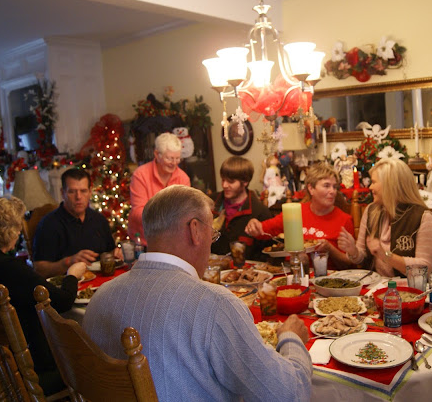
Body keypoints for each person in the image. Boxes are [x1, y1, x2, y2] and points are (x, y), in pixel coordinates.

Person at [82, 185, 312, 402]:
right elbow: (288, 395)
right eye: (212, 234)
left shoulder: (100, 298)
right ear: (195, 230)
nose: (210, 245)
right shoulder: (215, 304)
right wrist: (290, 338)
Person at [0, 196, 86, 394]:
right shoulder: (8, 268)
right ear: (7, 231)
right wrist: (72, 275)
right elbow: (63, 301)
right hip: (29, 371)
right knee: (89, 351)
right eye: (17, 226)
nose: (20, 231)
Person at [337, 158, 432, 277]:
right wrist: (353, 250)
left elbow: (426, 269)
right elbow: (362, 258)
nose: (370, 187)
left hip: (410, 287)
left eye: (374, 182)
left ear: (390, 185)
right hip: (376, 285)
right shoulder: (371, 211)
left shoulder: (423, 217)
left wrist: (386, 256)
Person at [246, 162, 354, 269]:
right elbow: (263, 230)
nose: (332, 191)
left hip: (327, 275)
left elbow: (348, 264)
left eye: (335, 187)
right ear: (311, 188)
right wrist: (254, 225)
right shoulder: (294, 212)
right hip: (292, 272)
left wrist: (330, 249)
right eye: (326, 186)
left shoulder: (344, 220)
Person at [32, 168, 120, 278]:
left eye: (83, 191)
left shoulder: (99, 220)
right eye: (72, 191)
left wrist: (116, 254)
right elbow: (39, 269)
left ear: (90, 192)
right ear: (63, 193)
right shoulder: (49, 224)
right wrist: (68, 262)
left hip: (100, 281)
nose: (78, 197)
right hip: (67, 284)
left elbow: (109, 252)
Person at [128, 132, 190, 245]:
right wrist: (167, 219)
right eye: (170, 158)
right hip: (145, 241)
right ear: (157, 154)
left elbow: (185, 211)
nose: (174, 163)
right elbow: (138, 213)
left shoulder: (183, 178)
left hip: (173, 241)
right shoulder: (140, 175)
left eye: (177, 158)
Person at [210, 157, 272, 259]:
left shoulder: (260, 212)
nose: (224, 185)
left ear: (245, 182)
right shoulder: (210, 203)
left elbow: (267, 253)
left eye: (231, 181)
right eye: (223, 180)